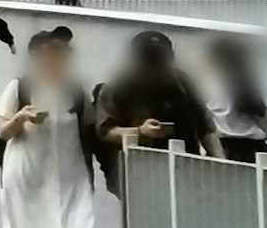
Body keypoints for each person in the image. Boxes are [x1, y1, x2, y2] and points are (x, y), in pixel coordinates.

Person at [0, 28, 117, 228]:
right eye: (51, 56)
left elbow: (91, 132)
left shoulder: (76, 91)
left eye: (63, 56)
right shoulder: (19, 87)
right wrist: (21, 117)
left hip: (70, 177)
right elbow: (3, 132)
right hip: (27, 175)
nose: (58, 62)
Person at [89, 27, 213, 178]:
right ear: (134, 60)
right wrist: (140, 131)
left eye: (160, 59)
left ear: (171, 58)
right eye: (148, 60)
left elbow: (206, 128)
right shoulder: (116, 88)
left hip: (187, 168)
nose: (154, 66)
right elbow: (105, 131)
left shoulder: (183, 83)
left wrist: (220, 163)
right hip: (140, 171)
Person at [209, 39, 267, 165]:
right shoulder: (261, 87)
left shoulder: (209, 86)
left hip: (223, 151)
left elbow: (201, 125)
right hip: (259, 153)